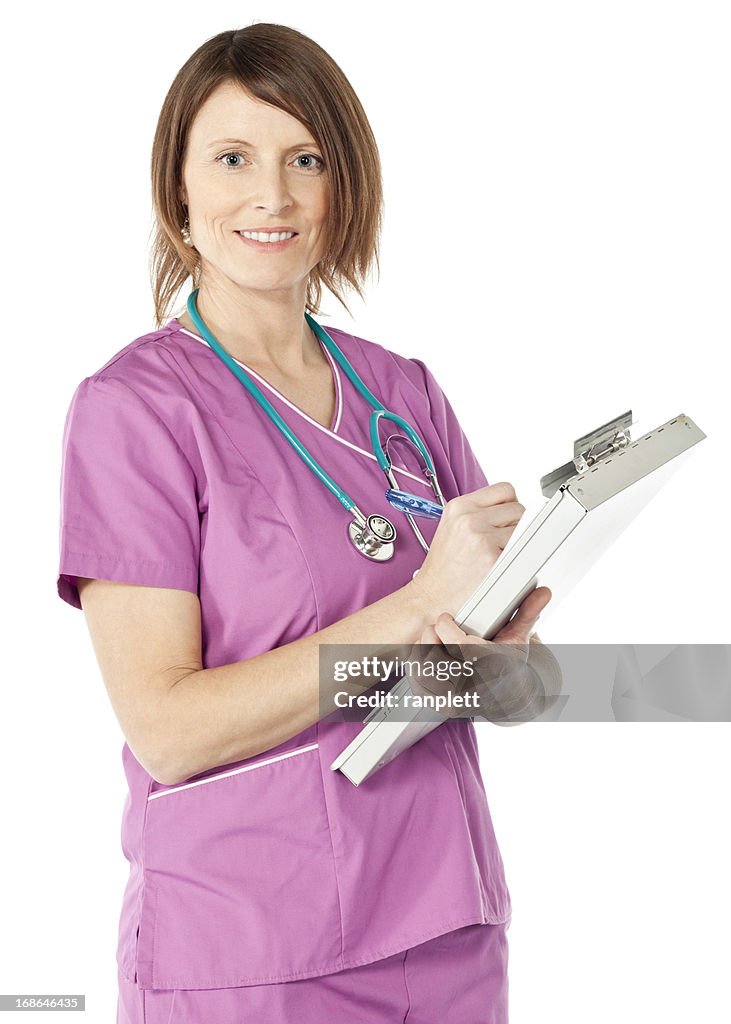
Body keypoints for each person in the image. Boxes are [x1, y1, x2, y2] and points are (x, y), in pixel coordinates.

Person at [56, 22, 555, 1024]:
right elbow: (168, 730)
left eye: (305, 160)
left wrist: (501, 668)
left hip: (446, 928)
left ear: (344, 186)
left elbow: (520, 682)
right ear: (179, 194)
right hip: (252, 952)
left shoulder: (400, 392)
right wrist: (415, 606)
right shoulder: (135, 411)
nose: (272, 196)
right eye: (233, 159)